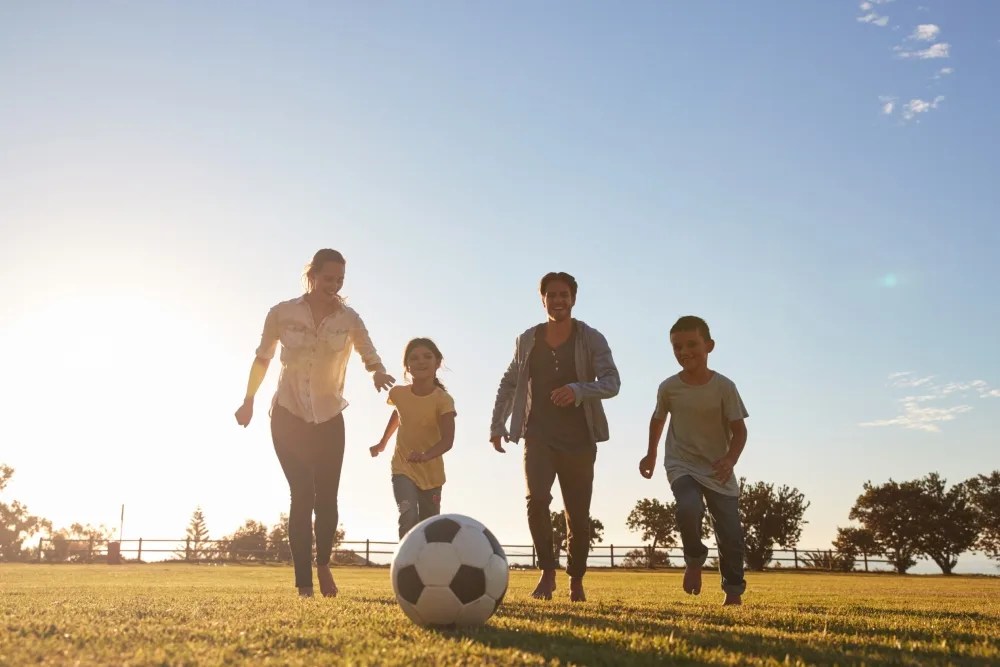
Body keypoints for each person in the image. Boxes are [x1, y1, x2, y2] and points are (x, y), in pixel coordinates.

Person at [234, 248, 395, 598]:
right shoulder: (281, 313)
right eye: (328, 278)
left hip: (328, 417)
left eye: (340, 279)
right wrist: (248, 400)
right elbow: (262, 358)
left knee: (327, 498)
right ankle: (304, 584)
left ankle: (323, 564)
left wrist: (377, 372)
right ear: (313, 275)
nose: (334, 285)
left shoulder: (349, 319)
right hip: (288, 416)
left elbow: (369, 352)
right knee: (302, 493)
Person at [490, 272, 620, 603]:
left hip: (579, 438)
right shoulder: (527, 340)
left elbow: (611, 382)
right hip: (538, 434)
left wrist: (578, 389)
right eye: (551, 295)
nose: (558, 300)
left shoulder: (591, 338)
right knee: (537, 501)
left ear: (573, 299)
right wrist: (497, 424)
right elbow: (509, 381)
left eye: (564, 294)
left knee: (577, 513)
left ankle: (575, 580)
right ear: (542, 299)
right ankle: (547, 574)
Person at [639, 315, 749, 606]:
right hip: (681, 463)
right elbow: (657, 420)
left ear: (709, 346)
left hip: (718, 469)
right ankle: (694, 559)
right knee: (688, 506)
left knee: (731, 537)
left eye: (692, 344)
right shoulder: (668, 387)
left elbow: (740, 431)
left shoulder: (725, 387)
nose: (684, 352)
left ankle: (733, 593)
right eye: (677, 347)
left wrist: (730, 459)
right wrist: (651, 454)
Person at [370, 338, 457, 538]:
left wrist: (427, 456)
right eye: (414, 358)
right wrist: (382, 442)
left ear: (437, 362)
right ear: (407, 366)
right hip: (403, 467)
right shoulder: (398, 393)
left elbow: (448, 441)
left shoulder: (443, 400)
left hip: (431, 475)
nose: (421, 361)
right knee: (408, 516)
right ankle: (405, 567)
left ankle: (427, 567)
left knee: (429, 526)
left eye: (427, 356)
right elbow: (399, 414)